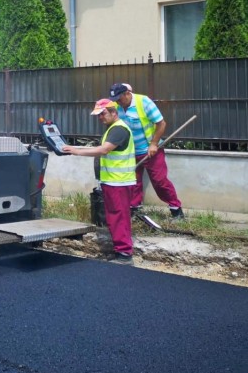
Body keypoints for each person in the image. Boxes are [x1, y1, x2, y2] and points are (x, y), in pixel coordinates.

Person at [63, 99, 135, 264]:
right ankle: (120, 251)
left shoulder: (118, 130)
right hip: (113, 181)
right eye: (98, 115)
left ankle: (124, 254)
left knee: (119, 217)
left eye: (103, 114)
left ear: (113, 112)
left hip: (119, 182)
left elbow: (104, 150)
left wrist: (77, 151)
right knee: (114, 217)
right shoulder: (113, 128)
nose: (100, 118)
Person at [108, 83, 184, 219]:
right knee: (133, 182)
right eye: (116, 100)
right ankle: (135, 210)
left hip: (151, 150)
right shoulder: (117, 107)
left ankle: (176, 210)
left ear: (127, 94)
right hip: (130, 152)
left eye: (120, 99)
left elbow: (161, 123)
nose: (118, 102)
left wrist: (154, 144)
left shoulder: (144, 102)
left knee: (159, 181)